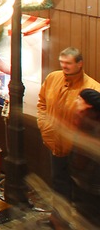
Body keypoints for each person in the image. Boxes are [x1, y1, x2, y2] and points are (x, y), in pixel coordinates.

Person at [39, 47, 100, 196]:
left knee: (80, 189)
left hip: (78, 148)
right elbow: (42, 103)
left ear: (80, 64)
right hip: (54, 141)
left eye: (68, 63)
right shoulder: (53, 78)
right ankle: (59, 218)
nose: (64, 66)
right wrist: (44, 126)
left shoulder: (92, 88)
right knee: (58, 182)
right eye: (62, 62)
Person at [71, 88, 100, 216]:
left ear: (88, 105)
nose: (75, 101)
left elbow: (82, 157)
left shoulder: (88, 123)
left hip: (91, 183)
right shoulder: (88, 120)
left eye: (79, 99)